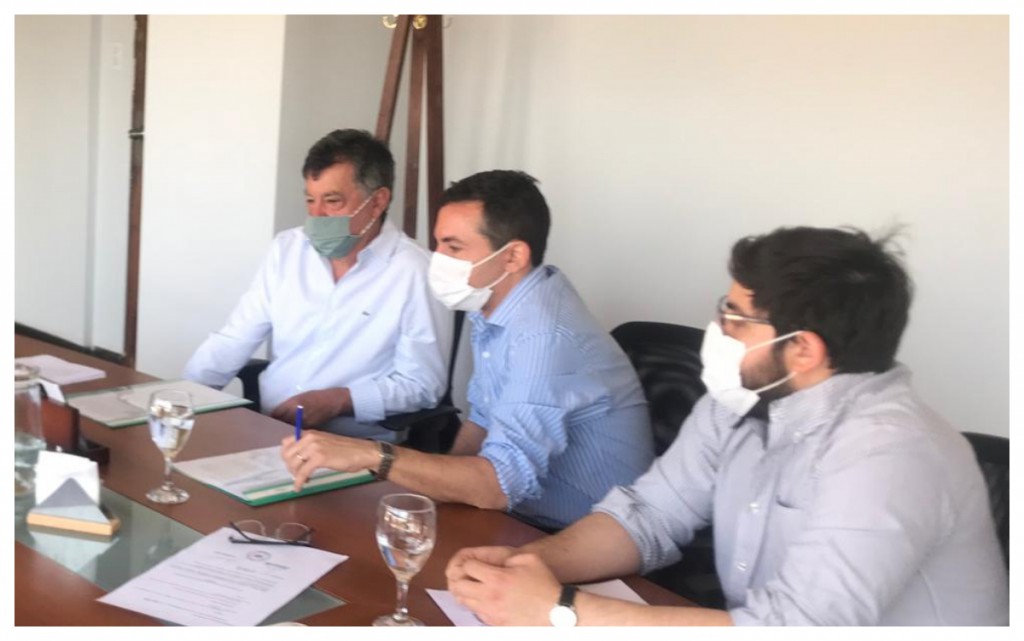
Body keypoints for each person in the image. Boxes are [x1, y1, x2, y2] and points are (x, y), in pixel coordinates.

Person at [445, 226, 1009, 626]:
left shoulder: (892, 454)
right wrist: (531, 566)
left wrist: (559, 610)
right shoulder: (740, 402)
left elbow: (797, 626)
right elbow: (648, 516)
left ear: (804, 350)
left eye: (736, 317)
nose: (718, 327)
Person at [282, 170, 655, 529]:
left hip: (575, 535)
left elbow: (501, 483)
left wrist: (371, 455)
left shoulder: (545, 337)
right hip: (515, 516)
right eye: (438, 244)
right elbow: (481, 421)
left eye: (453, 247)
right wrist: (435, 495)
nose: (438, 259)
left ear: (513, 257)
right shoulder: (496, 305)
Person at [184, 129, 452, 442]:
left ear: (378, 201)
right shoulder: (288, 249)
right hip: (270, 431)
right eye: (310, 200)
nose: (316, 215)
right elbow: (234, 339)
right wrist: (184, 398)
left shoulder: (415, 271)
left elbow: (422, 385)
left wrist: (339, 400)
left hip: (354, 446)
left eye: (332, 201)